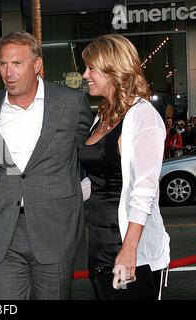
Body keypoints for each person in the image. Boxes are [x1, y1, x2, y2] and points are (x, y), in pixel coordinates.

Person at [0, 30, 94, 299]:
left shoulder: (70, 103)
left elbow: (89, 155)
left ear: (37, 64)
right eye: (3, 63)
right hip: (6, 230)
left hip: (56, 230)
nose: (8, 71)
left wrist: (77, 192)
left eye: (17, 63)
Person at [80, 34, 170, 300]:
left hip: (130, 252)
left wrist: (129, 249)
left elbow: (144, 189)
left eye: (91, 68)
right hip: (99, 246)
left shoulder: (142, 116)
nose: (85, 74)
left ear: (113, 68)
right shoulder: (104, 114)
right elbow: (99, 180)